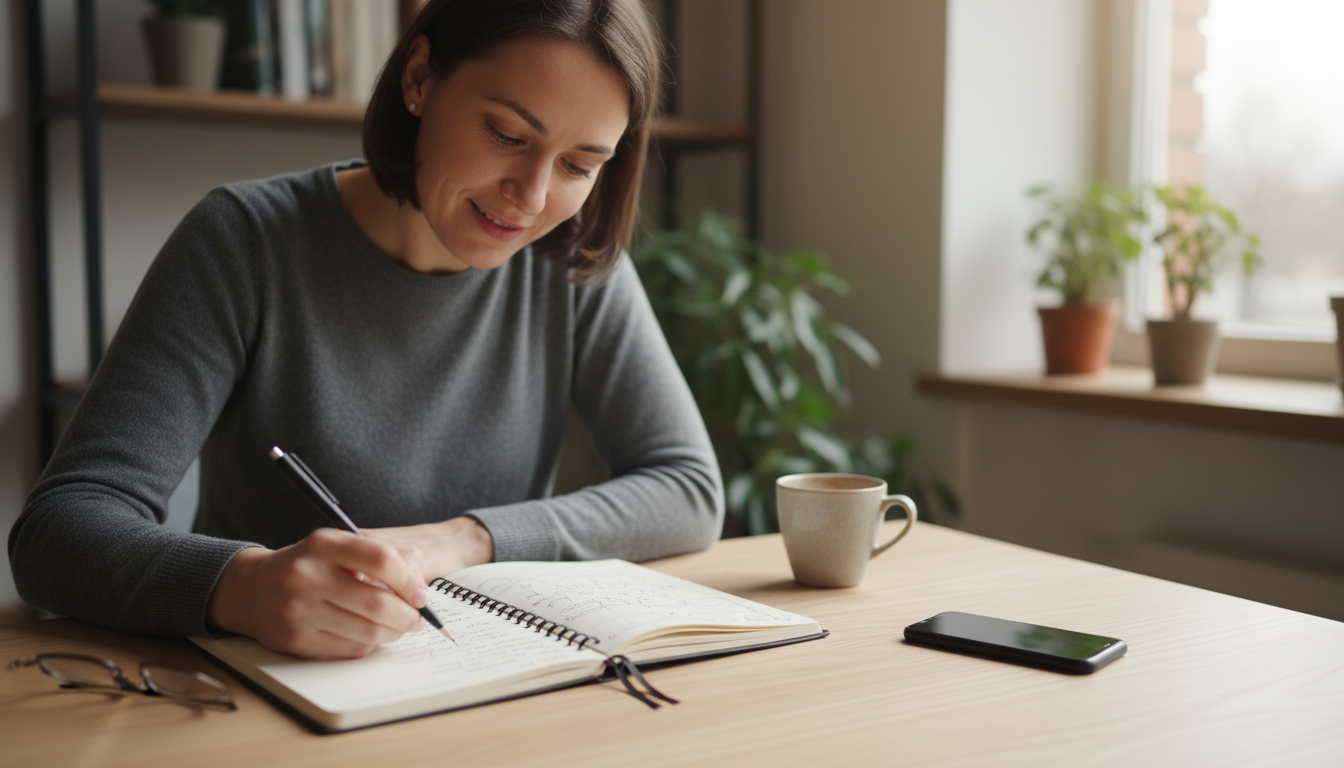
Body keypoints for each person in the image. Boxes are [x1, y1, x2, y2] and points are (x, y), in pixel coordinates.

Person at [9, 0, 722, 661]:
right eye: (507, 134)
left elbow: (688, 489)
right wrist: (243, 586)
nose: (533, 199)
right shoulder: (246, 241)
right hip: (263, 698)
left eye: (578, 165)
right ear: (419, 77)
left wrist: (464, 540)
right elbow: (59, 532)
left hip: (482, 685)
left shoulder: (570, 263)